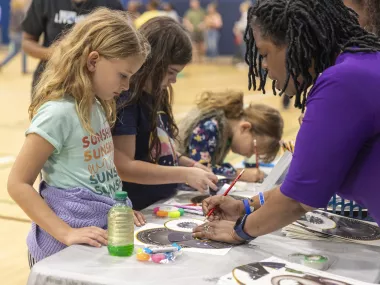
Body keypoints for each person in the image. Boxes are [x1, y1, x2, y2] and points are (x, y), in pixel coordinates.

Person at [192, 0, 380, 243]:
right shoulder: (359, 66)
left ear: (294, 42)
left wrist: (239, 230)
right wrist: (246, 207)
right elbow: (311, 181)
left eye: (265, 54)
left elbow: (298, 200)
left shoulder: (342, 81)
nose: (264, 66)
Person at [7, 8, 150, 267]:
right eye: (123, 75)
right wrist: (65, 232)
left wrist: (116, 210)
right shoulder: (57, 112)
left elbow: (98, 175)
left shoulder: (96, 105)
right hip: (60, 250)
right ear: (93, 61)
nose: (127, 86)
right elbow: (18, 184)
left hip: (93, 240)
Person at [113, 17, 218, 211]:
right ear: (152, 62)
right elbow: (124, 167)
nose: (174, 80)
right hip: (138, 210)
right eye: (171, 72)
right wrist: (183, 174)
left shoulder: (156, 93)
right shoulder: (127, 100)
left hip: (160, 204)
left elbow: (156, 147)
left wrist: (189, 165)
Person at [178, 90, 283, 183]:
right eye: (252, 149)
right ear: (245, 128)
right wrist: (238, 173)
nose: (248, 155)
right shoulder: (210, 127)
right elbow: (200, 170)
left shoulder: (228, 133)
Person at [22, 0, 124, 93]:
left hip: (93, 87)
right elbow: (27, 42)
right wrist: (52, 54)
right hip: (52, 82)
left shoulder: (111, 4)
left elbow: (123, 48)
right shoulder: (45, 2)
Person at [0, 0, 27, 73]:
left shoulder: (13, 10)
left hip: (12, 33)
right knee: (24, 50)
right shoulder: (19, 11)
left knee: (15, 52)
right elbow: (21, 23)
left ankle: (2, 63)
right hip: (18, 34)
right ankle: (24, 69)